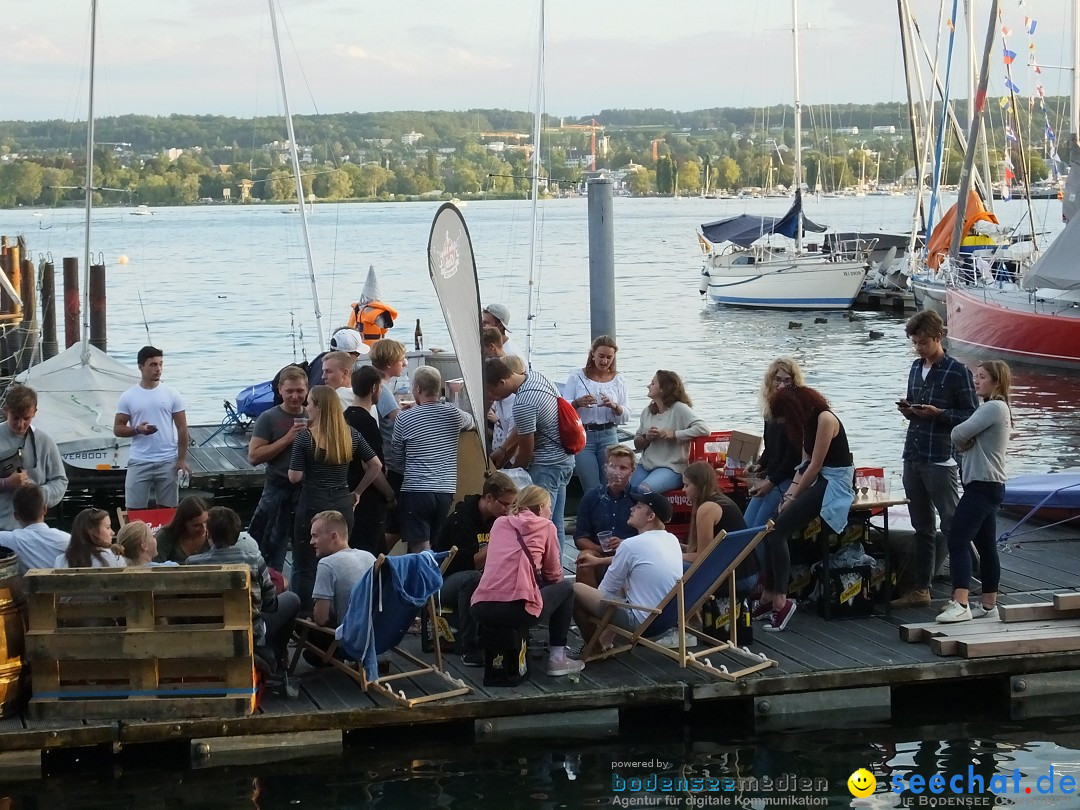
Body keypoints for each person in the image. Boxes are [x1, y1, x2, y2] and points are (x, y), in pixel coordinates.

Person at [892, 310, 979, 608]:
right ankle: (921, 588)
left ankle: (963, 588)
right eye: (915, 343)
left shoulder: (957, 372)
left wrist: (939, 414)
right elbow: (915, 402)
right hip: (913, 453)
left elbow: (971, 416)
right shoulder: (916, 368)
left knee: (952, 524)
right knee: (922, 526)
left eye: (923, 342)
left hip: (940, 457)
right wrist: (909, 411)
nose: (918, 348)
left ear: (938, 337)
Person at [754, 386, 854, 632]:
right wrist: (788, 495)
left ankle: (781, 600)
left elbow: (815, 465)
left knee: (779, 533)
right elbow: (803, 464)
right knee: (770, 527)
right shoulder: (806, 424)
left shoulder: (825, 419)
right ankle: (767, 596)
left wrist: (793, 497)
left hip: (835, 480)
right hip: (817, 477)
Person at [470, 486, 584, 677]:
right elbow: (554, 575)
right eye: (549, 507)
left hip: (481, 607)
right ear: (540, 507)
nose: (550, 511)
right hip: (517, 610)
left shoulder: (499, 523)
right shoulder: (547, 526)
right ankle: (557, 658)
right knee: (565, 589)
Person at [935, 361, 1013, 624]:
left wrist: (964, 441)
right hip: (989, 486)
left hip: (982, 486)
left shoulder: (993, 407)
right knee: (986, 546)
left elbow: (958, 432)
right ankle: (989, 604)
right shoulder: (994, 409)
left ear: (996, 381)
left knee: (957, 540)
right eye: (975, 377)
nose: (975, 381)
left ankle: (960, 602)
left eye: (981, 377)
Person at [289, 385, 377, 613]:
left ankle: (305, 617)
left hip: (312, 502)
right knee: (341, 558)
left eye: (308, 403)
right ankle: (342, 611)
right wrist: (357, 492)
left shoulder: (305, 438)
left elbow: (294, 476)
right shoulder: (350, 435)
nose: (306, 407)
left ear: (318, 407)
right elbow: (375, 465)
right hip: (342, 502)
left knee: (305, 563)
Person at [188, 507, 300, 673]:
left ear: (208, 535)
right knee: (292, 599)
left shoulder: (193, 563)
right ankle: (274, 653)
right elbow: (270, 604)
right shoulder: (254, 560)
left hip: (208, 633)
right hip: (248, 633)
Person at [572, 491, 683, 652]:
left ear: (650, 516)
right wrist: (599, 562)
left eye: (638, 507)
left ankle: (593, 647)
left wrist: (588, 599)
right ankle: (606, 639)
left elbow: (606, 590)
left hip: (640, 620)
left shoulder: (631, 545)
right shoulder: (671, 539)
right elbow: (638, 561)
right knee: (625, 577)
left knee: (573, 591)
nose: (632, 509)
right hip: (663, 619)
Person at [484, 357, 576, 542]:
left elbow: (526, 450)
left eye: (492, 391)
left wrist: (515, 476)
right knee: (554, 522)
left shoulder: (523, 403)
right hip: (564, 459)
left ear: (503, 382)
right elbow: (526, 426)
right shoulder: (537, 377)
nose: (491, 397)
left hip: (546, 466)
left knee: (537, 524)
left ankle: (540, 568)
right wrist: (504, 449)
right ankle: (555, 567)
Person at [434, 472, 518, 665]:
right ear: (488, 498)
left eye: (512, 505)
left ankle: (508, 638)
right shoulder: (461, 521)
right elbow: (470, 564)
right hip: (445, 582)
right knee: (472, 578)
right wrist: (499, 538)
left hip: (479, 578)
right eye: (505, 504)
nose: (508, 510)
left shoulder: (495, 518)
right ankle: (468, 646)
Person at [389, 366, 476, 553]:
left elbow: (395, 459)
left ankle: (425, 582)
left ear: (418, 389)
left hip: (416, 491)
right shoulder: (454, 415)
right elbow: (473, 421)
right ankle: (435, 580)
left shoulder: (404, 419)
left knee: (420, 550)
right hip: (445, 490)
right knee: (435, 545)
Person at [113, 346, 190, 509]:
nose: (158, 369)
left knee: (168, 511)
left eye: (161, 364)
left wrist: (181, 459)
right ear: (141, 367)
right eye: (153, 365)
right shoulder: (128, 396)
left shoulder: (172, 394)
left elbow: (182, 428)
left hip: (167, 460)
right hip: (140, 460)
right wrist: (137, 430)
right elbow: (118, 428)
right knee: (133, 511)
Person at [247, 365, 308, 570]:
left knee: (306, 548)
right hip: (277, 487)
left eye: (299, 391)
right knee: (270, 548)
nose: (294, 396)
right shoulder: (269, 417)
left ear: (307, 389)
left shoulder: (313, 415)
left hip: (306, 488)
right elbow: (254, 456)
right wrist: (286, 439)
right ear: (280, 389)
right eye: (289, 391)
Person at [743, 358, 804, 528]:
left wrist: (770, 482)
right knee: (746, 525)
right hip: (773, 475)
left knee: (760, 529)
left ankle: (764, 555)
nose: (781, 385)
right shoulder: (770, 410)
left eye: (787, 380)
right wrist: (759, 465)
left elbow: (793, 456)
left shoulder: (794, 412)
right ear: (770, 381)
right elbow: (770, 448)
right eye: (777, 379)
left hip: (789, 478)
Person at [564, 336, 629, 493]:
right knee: (591, 487)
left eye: (609, 357)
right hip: (584, 435)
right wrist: (578, 403)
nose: (605, 361)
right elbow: (564, 406)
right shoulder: (577, 376)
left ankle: (609, 516)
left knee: (611, 485)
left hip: (609, 434)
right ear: (592, 354)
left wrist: (614, 406)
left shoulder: (618, 379)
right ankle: (593, 515)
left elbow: (626, 415)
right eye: (601, 356)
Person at [344, 364, 396, 555]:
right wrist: (390, 494)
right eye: (381, 388)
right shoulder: (366, 422)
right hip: (368, 498)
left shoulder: (346, 416)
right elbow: (372, 466)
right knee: (371, 551)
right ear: (374, 388)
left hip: (348, 488)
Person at [0, 384, 67, 532]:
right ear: (5, 411)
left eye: (26, 418)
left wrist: (36, 494)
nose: (20, 424)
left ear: (35, 412)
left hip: (34, 531)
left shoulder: (45, 442)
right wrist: (5, 483)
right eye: (15, 417)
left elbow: (60, 481)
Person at [631, 370, 709, 495]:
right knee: (630, 490)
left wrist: (674, 434)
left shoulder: (679, 408)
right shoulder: (647, 411)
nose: (648, 386)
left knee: (643, 490)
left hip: (671, 468)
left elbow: (703, 429)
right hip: (646, 465)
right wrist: (647, 438)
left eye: (652, 383)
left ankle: (658, 514)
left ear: (663, 389)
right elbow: (637, 443)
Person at [573, 445, 637, 589]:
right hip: (599, 555)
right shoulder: (591, 497)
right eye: (613, 466)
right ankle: (590, 607)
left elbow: (650, 537)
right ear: (605, 468)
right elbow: (580, 537)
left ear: (632, 471)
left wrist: (625, 544)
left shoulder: (639, 498)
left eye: (623, 468)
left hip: (631, 555)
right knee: (584, 557)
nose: (616, 472)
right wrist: (599, 548)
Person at [310, 510, 376, 630]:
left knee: (300, 617)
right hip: (374, 632)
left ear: (333, 536)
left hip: (348, 636)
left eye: (315, 536)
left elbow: (321, 619)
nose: (311, 542)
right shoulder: (370, 557)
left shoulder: (327, 564)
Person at [0, 483, 69, 574]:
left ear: (16, 515)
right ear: (44, 509)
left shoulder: (9, 539)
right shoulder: (68, 540)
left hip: (28, 587)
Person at [55, 507, 125, 568]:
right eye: (108, 527)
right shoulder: (115, 559)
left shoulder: (61, 561)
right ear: (92, 531)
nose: (112, 532)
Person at [154, 495, 209, 563]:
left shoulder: (213, 536)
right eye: (196, 525)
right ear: (183, 523)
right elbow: (155, 567)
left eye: (206, 522)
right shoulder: (165, 537)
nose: (204, 528)